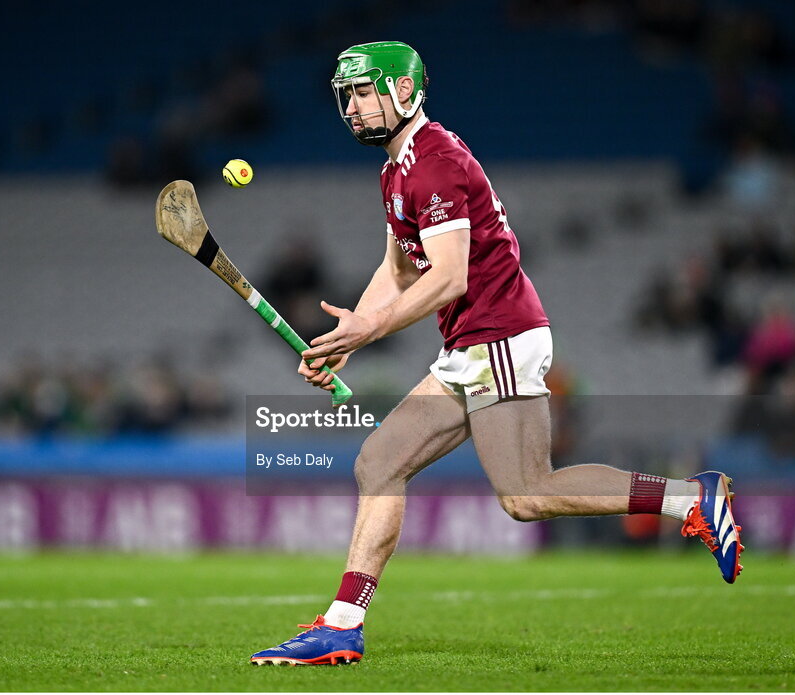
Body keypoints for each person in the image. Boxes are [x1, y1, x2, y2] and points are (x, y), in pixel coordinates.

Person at [250, 41, 743, 667]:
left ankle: (689, 499)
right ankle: (343, 625)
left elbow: (449, 276)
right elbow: (398, 270)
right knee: (379, 463)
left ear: (404, 91)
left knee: (526, 494)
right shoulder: (396, 170)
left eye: (364, 91)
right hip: (470, 344)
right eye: (345, 95)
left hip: (499, 336)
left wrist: (368, 331)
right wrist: (349, 331)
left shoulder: (435, 162)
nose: (352, 107)